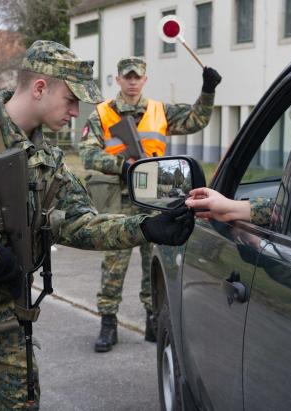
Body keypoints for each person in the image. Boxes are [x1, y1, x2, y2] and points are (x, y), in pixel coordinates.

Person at [0, 40, 195, 410]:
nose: (76, 110)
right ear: (39, 88)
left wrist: (145, 228)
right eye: (70, 99)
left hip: (7, 317)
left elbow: (79, 221)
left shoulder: (47, 155)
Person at [78, 56, 222, 352]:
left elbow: (196, 119)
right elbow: (88, 154)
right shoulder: (102, 114)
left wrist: (208, 91)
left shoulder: (159, 110)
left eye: (137, 77)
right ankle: (108, 323)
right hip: (118, 196)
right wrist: (123, 166)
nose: (132, 81)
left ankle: (153, 320)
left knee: (152, 258)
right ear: (117, 79)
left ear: (145, 80)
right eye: (126, 76)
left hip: (155, 195)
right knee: (114, 260)